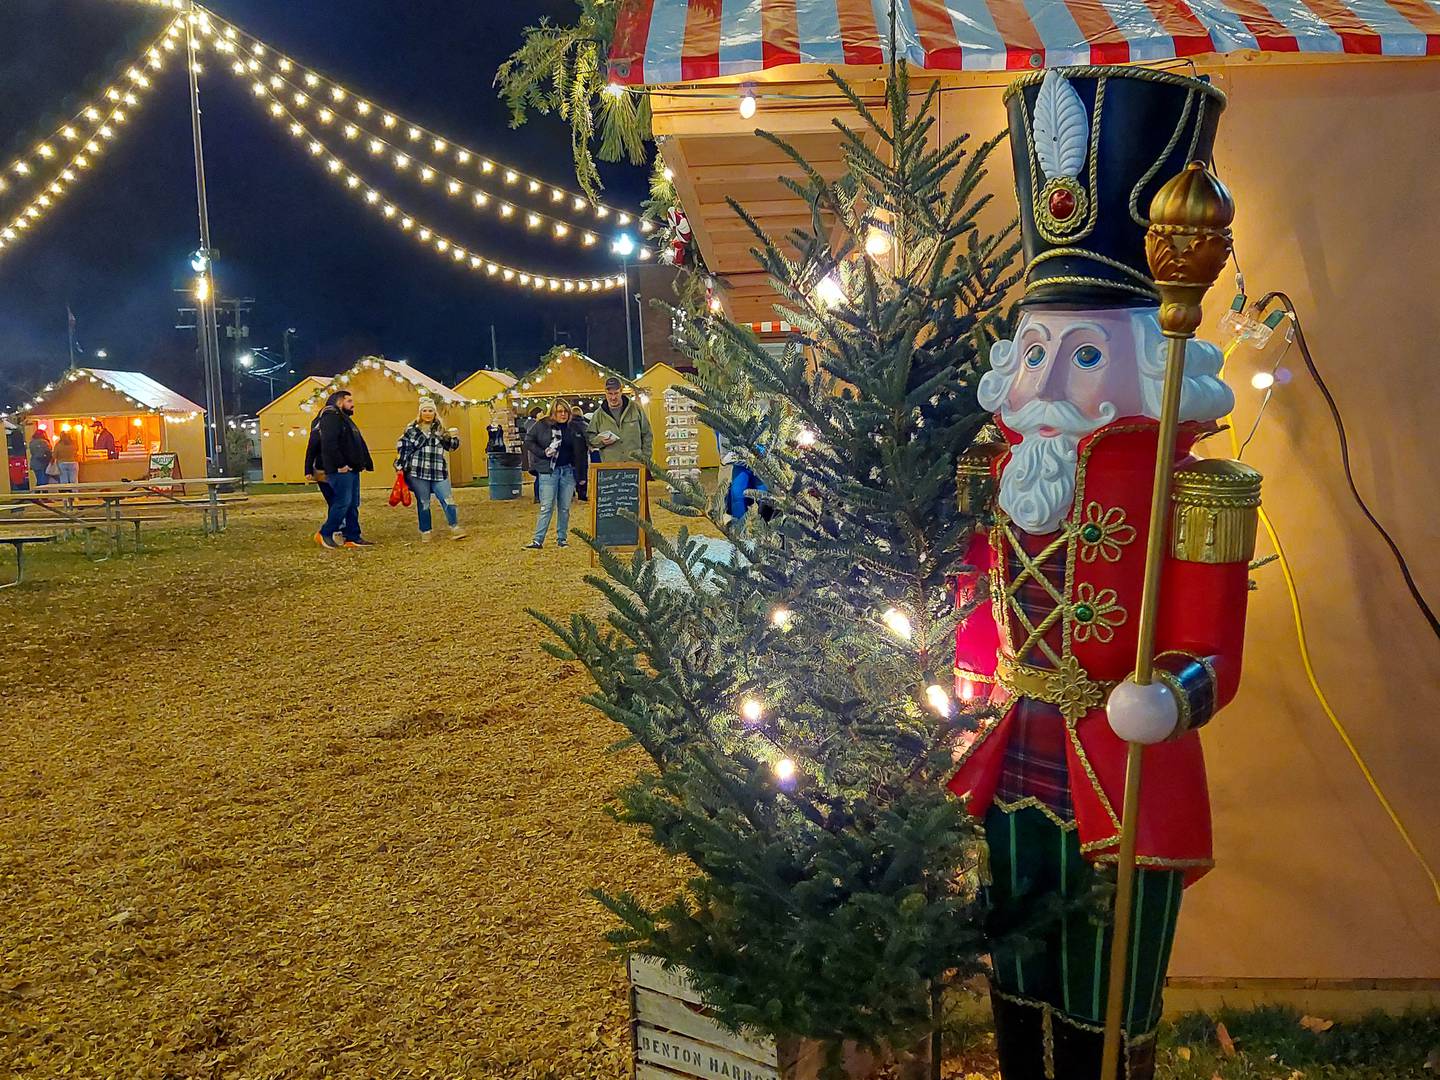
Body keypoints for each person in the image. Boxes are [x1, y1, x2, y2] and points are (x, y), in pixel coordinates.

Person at [947, 69, 1256, 1080]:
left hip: (1119, 769)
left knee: (1106, 988)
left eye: (1080, 357)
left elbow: (1214, 651)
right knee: (1017, 965)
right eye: (1037, 351)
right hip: (1012, 755)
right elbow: (976, 599)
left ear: (1133, 358)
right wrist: (959, 672)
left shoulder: (1193, 489)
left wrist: (1169, 696)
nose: (1041, 380)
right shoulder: (998, 473)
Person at [395, 398, 466, 542]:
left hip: (438, 470)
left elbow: (451, 447)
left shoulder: (440, 429)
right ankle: (425, 531)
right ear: (420, 413)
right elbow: (403, 448)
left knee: (448, 499)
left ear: (435, 413)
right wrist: (400, 466)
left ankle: (455, 527)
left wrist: (455, 438)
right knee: (424, 502)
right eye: (425, 410)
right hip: (418, 471)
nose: (428, 413)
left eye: (430, 410)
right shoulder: (411, 430)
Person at [523, 398, 587, 550]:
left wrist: (581, 475)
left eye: (565, 411)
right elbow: (529, 441)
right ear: (553, 412)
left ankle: (562, 539)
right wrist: (543, 453)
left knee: (564, 508)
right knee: (546, 506)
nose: (563, 414)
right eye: (559, 411)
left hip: (567, 471)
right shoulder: (542, 425)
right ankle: (538, 540)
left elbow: (581, 452)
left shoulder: (574, 428)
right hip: (548, 471)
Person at [314, 390, 374, 549]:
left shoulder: (344, 419)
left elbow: (355, 442)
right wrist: (340, 464)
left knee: (352, 503)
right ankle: (325, 532)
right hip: (341, 470)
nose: (352, 404)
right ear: (339, 402)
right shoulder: (330, 418)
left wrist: (365, 462)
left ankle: (352, 536)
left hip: (352, 468)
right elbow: (329, 443)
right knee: (342, 502)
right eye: (349, 401)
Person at [588, 377, 653, 465]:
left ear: (621, 391)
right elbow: (590, 439)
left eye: (616, 393)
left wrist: (645, 458)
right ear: (605, 393)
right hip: (611, 468)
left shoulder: (636, 409)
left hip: (635, 465)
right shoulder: (598, 415)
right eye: (610, 394)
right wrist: (601, 441)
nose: (613, 397)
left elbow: (647, 434)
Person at [303, 398, 336, 512]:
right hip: (324, 469)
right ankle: (339, 522)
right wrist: (307, 470)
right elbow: (311, 450)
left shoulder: (317, 428)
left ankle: (339, 522)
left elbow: (310, 450)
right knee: (334, 499)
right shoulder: (318, 432)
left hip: (328, 468)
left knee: (334, 499)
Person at [519, 405, 545, 503]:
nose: (543, 415)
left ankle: (538, 497)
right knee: (540, 476)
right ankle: (538, 497)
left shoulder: (531, 424)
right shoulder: (534, 425)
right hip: (537, 455)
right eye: (541, 413)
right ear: (537, 414)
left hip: (535, 455)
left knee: (540, 476)